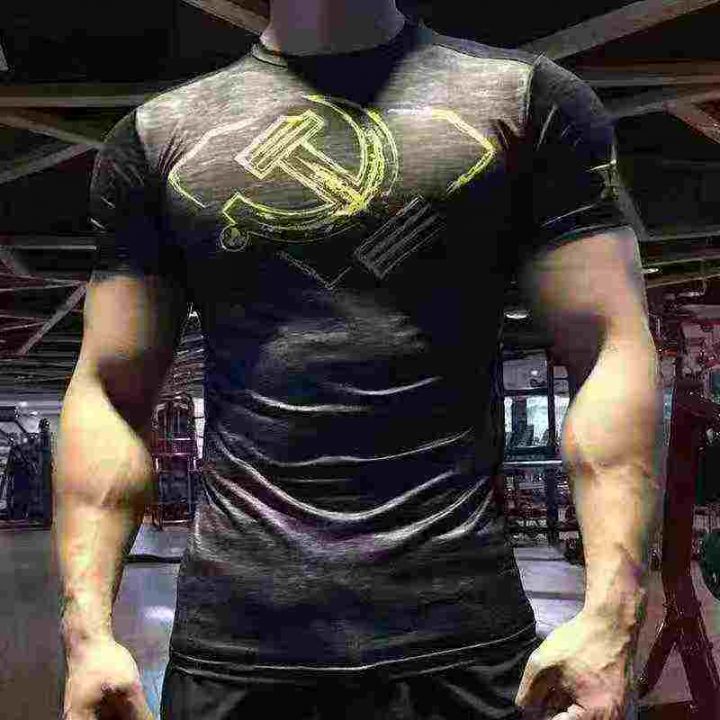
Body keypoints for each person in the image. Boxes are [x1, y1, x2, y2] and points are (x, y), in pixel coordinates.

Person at [54, 1, 662, 718]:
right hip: (236, 645)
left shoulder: (530, 101)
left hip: (461, 638)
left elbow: (610, 346)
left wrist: (613, 615)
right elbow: (108, 390)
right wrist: (86, 633)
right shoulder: (156, 136)